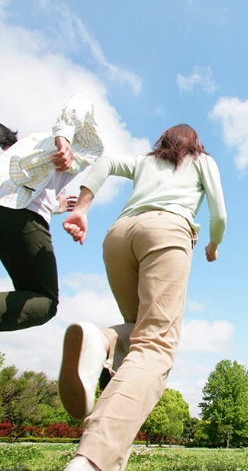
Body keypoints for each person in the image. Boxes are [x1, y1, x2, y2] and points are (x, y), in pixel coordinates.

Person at [59, 124, 227, 471]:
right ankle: (91, 461)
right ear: (194, 144)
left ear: (162, 142)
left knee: (139, 334)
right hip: (166, 232)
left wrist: (83, 209)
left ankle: (102, 339)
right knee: (155, 346)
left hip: (119, 236)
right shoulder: (202, 161)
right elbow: (219, 214)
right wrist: (213, 244)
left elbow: (104, 163)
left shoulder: (144, 162)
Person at [0, 94, 103, 331]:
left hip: (15, 211)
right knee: (44, 301)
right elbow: (82, 101)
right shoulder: (40, 141)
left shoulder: (11, 158)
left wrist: (56, 206)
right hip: (20, 214)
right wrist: (64, 137)